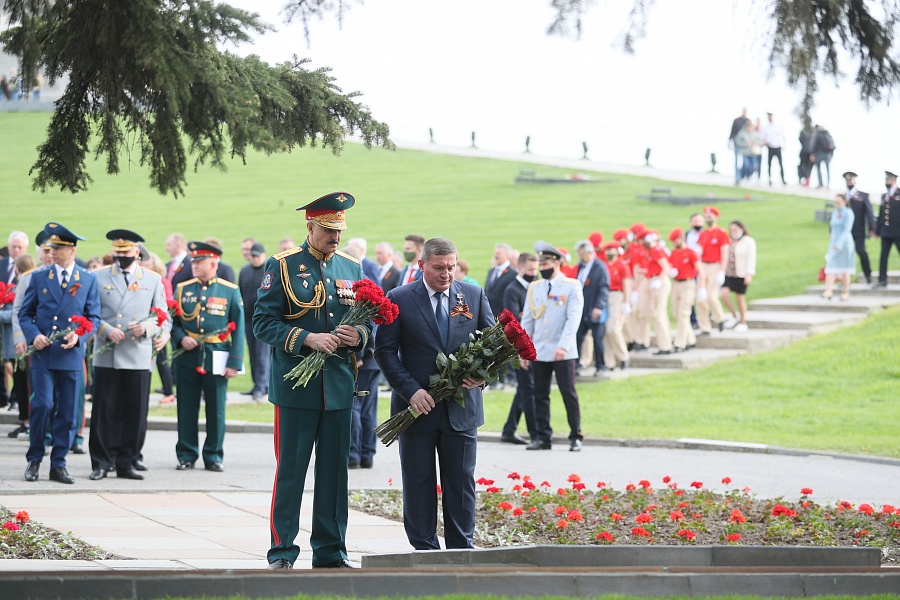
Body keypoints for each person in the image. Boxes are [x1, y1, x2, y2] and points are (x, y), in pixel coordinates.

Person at [254, 192, 370, 570]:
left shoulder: (352, 267)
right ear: (310, 226)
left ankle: (331, 550)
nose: (335, 237)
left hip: (337, 385)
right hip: (295, 387)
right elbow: (263, 322)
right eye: (328, 230)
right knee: (291, 471)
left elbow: (366, 320)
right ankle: (282, 552)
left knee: (335, 475)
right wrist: (306, 338)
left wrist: (360, 336)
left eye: (339, 230)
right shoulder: (283, 265)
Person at [375, 237, 493, 550]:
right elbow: (384, 351)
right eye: (439, 268)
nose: (447, 274)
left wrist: (481, 377)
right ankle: (425, 548)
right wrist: (410, 390)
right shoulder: (399, 297)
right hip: (416, 410)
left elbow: (494, 347)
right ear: (422, 265)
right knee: (418, 481)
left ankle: (461, 547)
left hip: (462, 410)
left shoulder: (473, 295)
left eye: (451, 267)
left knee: (461, 482)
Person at [19, 223, 101, 484]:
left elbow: (94, 318)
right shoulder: (40, 277)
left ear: (72, 250)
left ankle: (59, 464)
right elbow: (25, 313)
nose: (52, 252)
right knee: (42, 405)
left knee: (67, 411)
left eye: (58, 248)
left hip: (70, 355)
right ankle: (34, 460)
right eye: (51, 248)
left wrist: (80, 336)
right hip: (44, 354)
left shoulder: (87, 279)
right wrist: (34, 336)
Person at [88, 230, 169, 481]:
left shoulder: (152, 279)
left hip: (137, 353)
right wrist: (105, 330)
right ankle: (101, 462)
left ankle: (127, 461)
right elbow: (89, 313)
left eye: (125, 252)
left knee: (135, 411)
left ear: (137, 252)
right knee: (104, 409)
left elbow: (162, 317)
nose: (121, 256)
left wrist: (147, 328)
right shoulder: (97, 278)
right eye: (117, 252)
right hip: (108, 352)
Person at [170, 241, 244, 472]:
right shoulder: (183, 289)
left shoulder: (229, 291)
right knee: (186, 407)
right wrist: (181, 337)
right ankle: (186, 454)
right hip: (188, 357)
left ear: (214, 263)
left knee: (216, 410)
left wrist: (234, 362)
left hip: (216, 356)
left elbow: (239, 327)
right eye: (193, 262)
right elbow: (173, 322)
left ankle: (213, 455)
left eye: (200, 262)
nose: (195, 266)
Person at [519, 242, 584, 452]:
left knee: (568, 392)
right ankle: (543, 437)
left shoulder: (571, 285)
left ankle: (575, 435)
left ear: (557, 263)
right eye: (540, 263)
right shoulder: (534, 287)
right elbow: (528, 321)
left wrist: (564, 346)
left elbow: (573, 319)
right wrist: (523, 350)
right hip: (540, 350)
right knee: (540, 394)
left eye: (546, 263)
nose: (542, 267)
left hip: (562, 351)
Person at [499, 252, 538, 444]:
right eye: (530, 270)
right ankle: (535, 433)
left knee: (524, 390)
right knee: (527, 389)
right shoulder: (513, 290)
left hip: (536, 346)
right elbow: (515, 322)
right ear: (520, 268)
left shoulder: (536, 286)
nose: (534, 273)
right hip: (521, 348)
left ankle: (509, 429)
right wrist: (522, 350)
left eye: (535, 269)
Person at [238, 242, 271, 401]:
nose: (255, 259)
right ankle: (257, 384)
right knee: (252, 353)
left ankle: (262, 385)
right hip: (248, 318)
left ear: (263, 255)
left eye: (258, 256)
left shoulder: (269, 271)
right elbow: (241, 292)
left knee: (262, 354)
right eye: (253, 256)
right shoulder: (244, 271)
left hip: (264, 320)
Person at [573, 239, 609, 376]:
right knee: (577, 337)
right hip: (582, 309)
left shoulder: (599, 267)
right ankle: (575, 365)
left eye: (582, 254)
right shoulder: (580, 267)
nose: (580, 257)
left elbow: (604, 289)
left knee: (598, 339)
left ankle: (601, 365)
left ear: (589, 252)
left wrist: (599, 307)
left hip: (594, 308)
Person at [667, 228, 705, 352]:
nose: (674, 243)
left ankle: (680, 343)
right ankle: (691, 339)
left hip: (688, 283)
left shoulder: (690, 253)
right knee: (677, 314)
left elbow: (700, 270)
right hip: (676, 283)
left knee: (684, 313)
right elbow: (670, 265)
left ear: (682, 238)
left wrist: (701, 287)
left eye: (676, 240)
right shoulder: (673, 253)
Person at [696, 206, 730, 335]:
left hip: (715, 266)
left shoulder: (721, 233)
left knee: (711, 295)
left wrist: (722, 270)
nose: (708, 218)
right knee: (700, 297)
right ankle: (704, 326)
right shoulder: (703, 233)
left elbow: (724, 253)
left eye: (711, 216)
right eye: (706, 216)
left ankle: (720, 318)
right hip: (703, 265)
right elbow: (699, 251)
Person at [720, 221, 757, 332]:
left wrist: (749, 273)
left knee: (740, 298)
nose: (734, 232)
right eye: (732, 230)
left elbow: (751, 258)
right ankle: (734, 315)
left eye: (735, 229)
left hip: (741, 274)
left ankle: (743, 321)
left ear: (742, 229)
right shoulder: (729, 241)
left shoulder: (748, 241)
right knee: (724, 294)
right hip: (729, 273)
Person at [601, 241, 632, 370]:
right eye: (607, 250)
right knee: (605, 331)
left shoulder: (622, 266)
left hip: (617, 295)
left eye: (611, 250)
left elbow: (627, 285)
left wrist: (626, 302)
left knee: (613, 329)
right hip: (605, 295)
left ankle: (623, 356)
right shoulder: (604, 265)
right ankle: (609, 361)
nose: (609, 253)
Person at [843, 171, 876, 284]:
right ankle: (845, 279)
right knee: (845, 254)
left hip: (859, 230)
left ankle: (868, 275)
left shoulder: (862, 196)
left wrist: (871, 228)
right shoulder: (843, 197)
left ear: (855, 181)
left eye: (851, 180)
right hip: (845, 231)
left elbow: (869, 213)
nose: (849, 182)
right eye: (847, 180)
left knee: (861, 251)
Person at [821, 194, 856, 301]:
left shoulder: (848, 213)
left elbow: (847, 230)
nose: (836, 204)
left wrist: (839, 244)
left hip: (844, 244)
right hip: (833, 243)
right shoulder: (835, 213)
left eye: (838, 202)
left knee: (845, 269)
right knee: (830, 267)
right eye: (835, 202)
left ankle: (845, 292)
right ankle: (828, 290)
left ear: (844, 202)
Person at [873, 170, 900, 288]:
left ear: (894, 180)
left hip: (898, 232)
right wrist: (877, 230)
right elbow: (881, 214)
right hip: (886, 232)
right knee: (883, 256)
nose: (887, 182)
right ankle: (882, 280)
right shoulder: (885, 196)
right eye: (886, 180)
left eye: (889, 180)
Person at [484, 243, 517, 317]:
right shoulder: (491, 271)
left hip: (502, 317)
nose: (496, 256)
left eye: (498, 253)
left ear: (507, 255)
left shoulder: (513, 273)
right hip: (489, 315)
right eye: (495, 253)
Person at [761, 112, 787, 185]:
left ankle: (783, 179)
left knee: (780, 164)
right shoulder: (765, 127)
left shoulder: (777, 126)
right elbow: (763, 137)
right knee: (769, 164)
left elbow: (782, 136)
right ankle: (769, 179)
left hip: (777, 147)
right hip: (770, 147)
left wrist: (784, 145)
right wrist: (766, 142)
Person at [728, 107, 750, 185]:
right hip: (737, 143)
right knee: (737, 161)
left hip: (745, 146)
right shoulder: (736, 120)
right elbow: (732, 131)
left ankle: (742, 176)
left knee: (745, 162)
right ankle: (737, 178)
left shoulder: (748, 121)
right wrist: (729, 141)